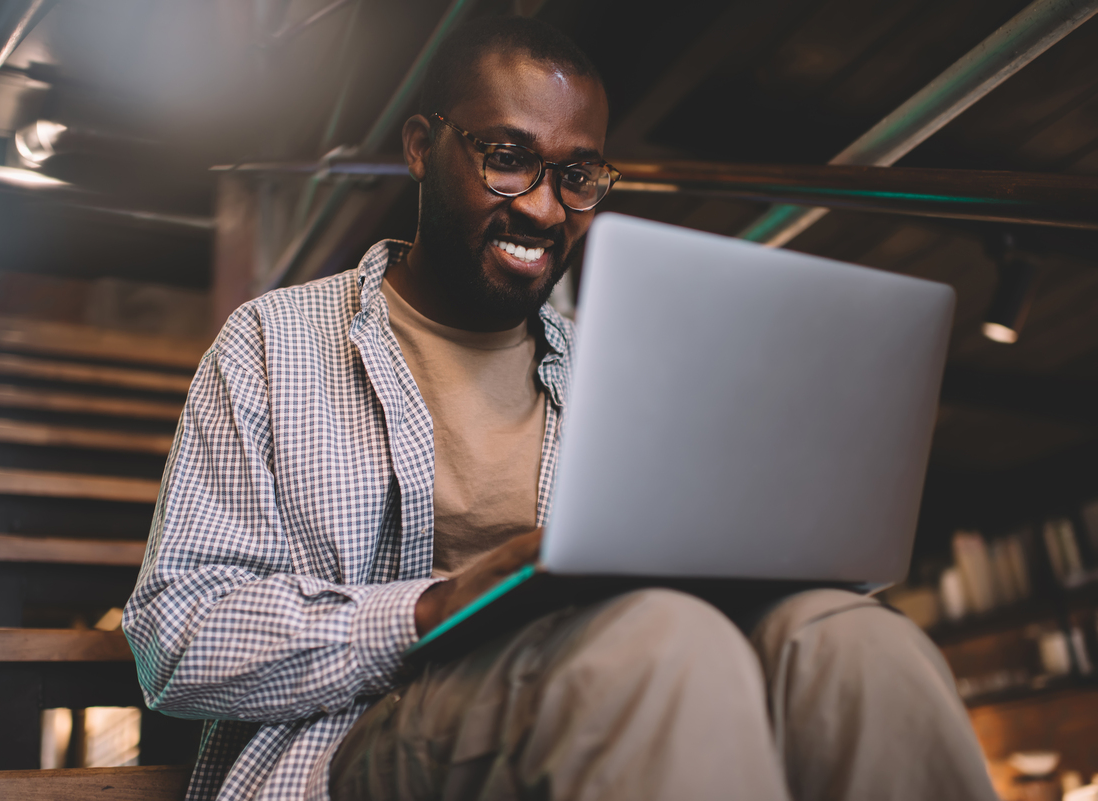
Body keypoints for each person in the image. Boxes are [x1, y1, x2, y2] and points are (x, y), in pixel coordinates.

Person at [124, 16, 998, 801]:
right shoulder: (273, 342)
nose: (546, 208)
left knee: (851, 643)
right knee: (658, 640)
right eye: (507, 158)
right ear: (422, 147)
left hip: (601, 685)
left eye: (578, 174)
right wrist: (437, 607)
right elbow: (176, 634)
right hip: (361, 740)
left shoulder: (612, 368)